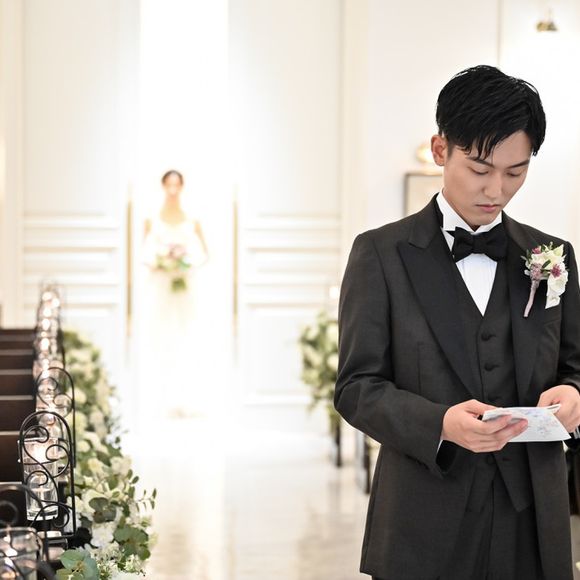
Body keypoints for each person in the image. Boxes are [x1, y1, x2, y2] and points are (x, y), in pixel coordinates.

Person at [334, 64, 580, 579]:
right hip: (423, 519)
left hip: (533, 522)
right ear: (440, 149)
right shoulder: (380, 254)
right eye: (480, 169)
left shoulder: (551, 255)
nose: (496, 189)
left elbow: (573, 367)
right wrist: (440, 425)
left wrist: (574, 394)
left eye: (515, 173)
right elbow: (357, 388)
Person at [139, 169, 209, 419]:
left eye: (176, 185)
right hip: (161, 286)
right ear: (162, 186)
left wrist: (185, 261)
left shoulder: (192, 219)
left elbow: (204, 254)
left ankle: (188, 397)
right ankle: (160, 398)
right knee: (161, 336)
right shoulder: (152, 219)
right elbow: (144, 253)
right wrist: (161, 260)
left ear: (182, 187)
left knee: (187, 335)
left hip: (185, 286)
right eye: (168, 184)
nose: (172, 190)